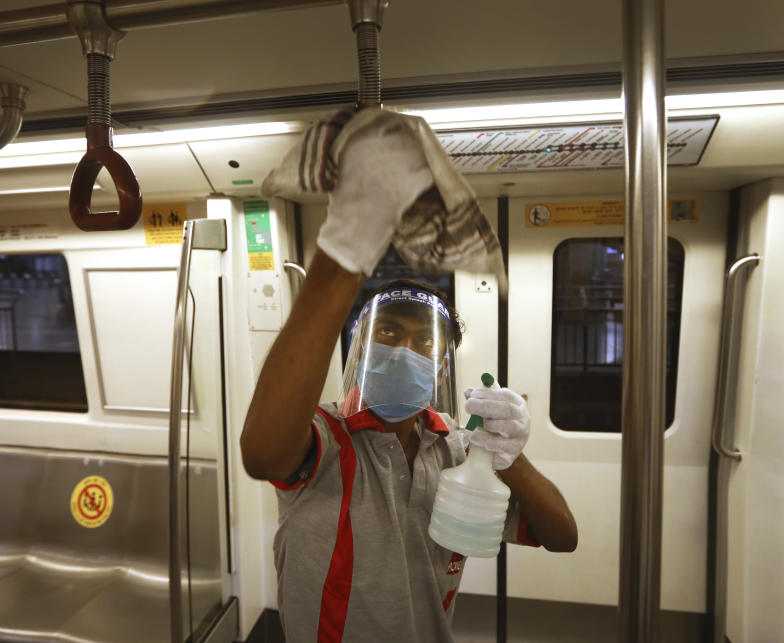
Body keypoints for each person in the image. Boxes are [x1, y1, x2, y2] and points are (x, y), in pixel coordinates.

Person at [241, 121, 577, 643]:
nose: (405, 350)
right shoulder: (329, 435)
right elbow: (262, 454)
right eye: (389, 333)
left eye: (425, 343)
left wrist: (512, 456)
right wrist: (349, 246)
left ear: (443, 366)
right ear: (360, 349)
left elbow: (563, 537)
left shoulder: (462, 450)